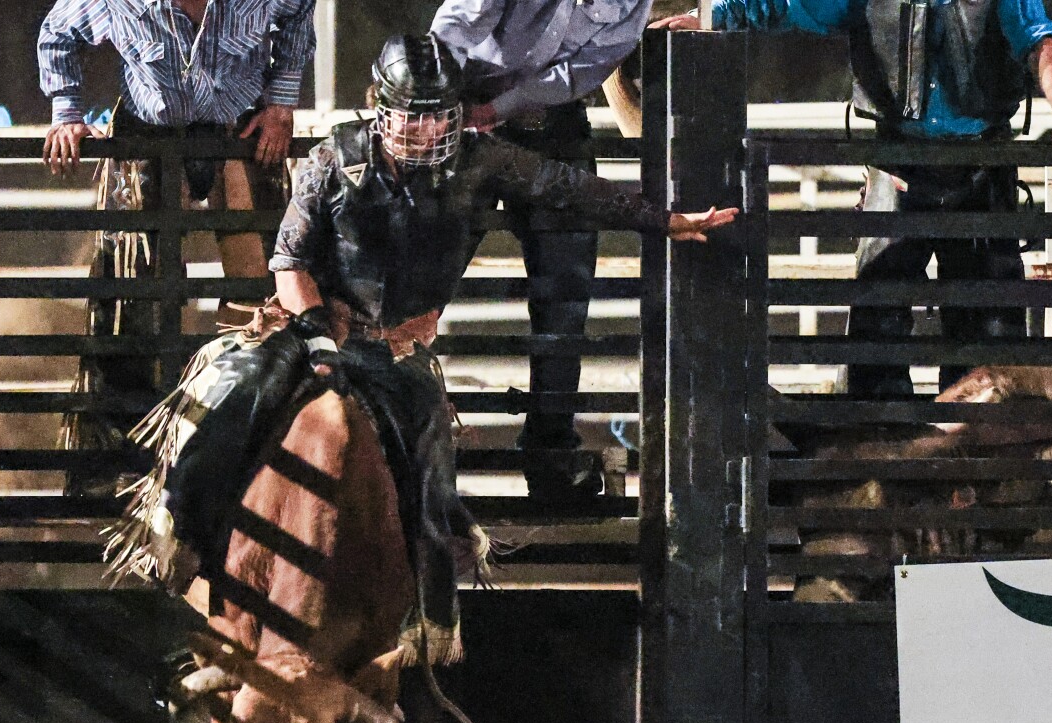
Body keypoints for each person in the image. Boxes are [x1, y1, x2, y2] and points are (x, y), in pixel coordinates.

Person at [262, 34, 735, 651]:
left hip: (398, 350)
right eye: (414, 114)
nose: (427, 129)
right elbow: (289, 260)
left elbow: (569, 187)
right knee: (238, 394)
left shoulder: (475, 159)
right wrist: (319, 340)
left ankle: (432, 619)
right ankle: (178, 528)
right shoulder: (332, 161)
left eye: (438, 114)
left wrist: (664, 219)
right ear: (380, 107)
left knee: (432, 458)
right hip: (324, 329)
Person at [654, 0, 1052, 398]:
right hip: (899, 159)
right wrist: (710, 17)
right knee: (880, 308)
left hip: (980, 161)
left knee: (987, 321)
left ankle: (978, 448)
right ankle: (882, 440)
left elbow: (1042, 46)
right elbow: (786, 5)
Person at [37, 0, 316, 493]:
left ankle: (265, 445)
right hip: (148, 127)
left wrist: (281, 103)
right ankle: (120, 460)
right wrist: (67, 111)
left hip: (243, 125)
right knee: (127, 296)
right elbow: (58, 32)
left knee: (265, 291)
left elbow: (298, 11)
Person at [431, 0, 653, 501]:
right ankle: (400, 440)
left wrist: (505, 105)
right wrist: (441, 91)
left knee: (565, 298)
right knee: (425, 280)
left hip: (552, 118)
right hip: (467, 102)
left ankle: (551, 456)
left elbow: (591, 64)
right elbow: (466, 17)